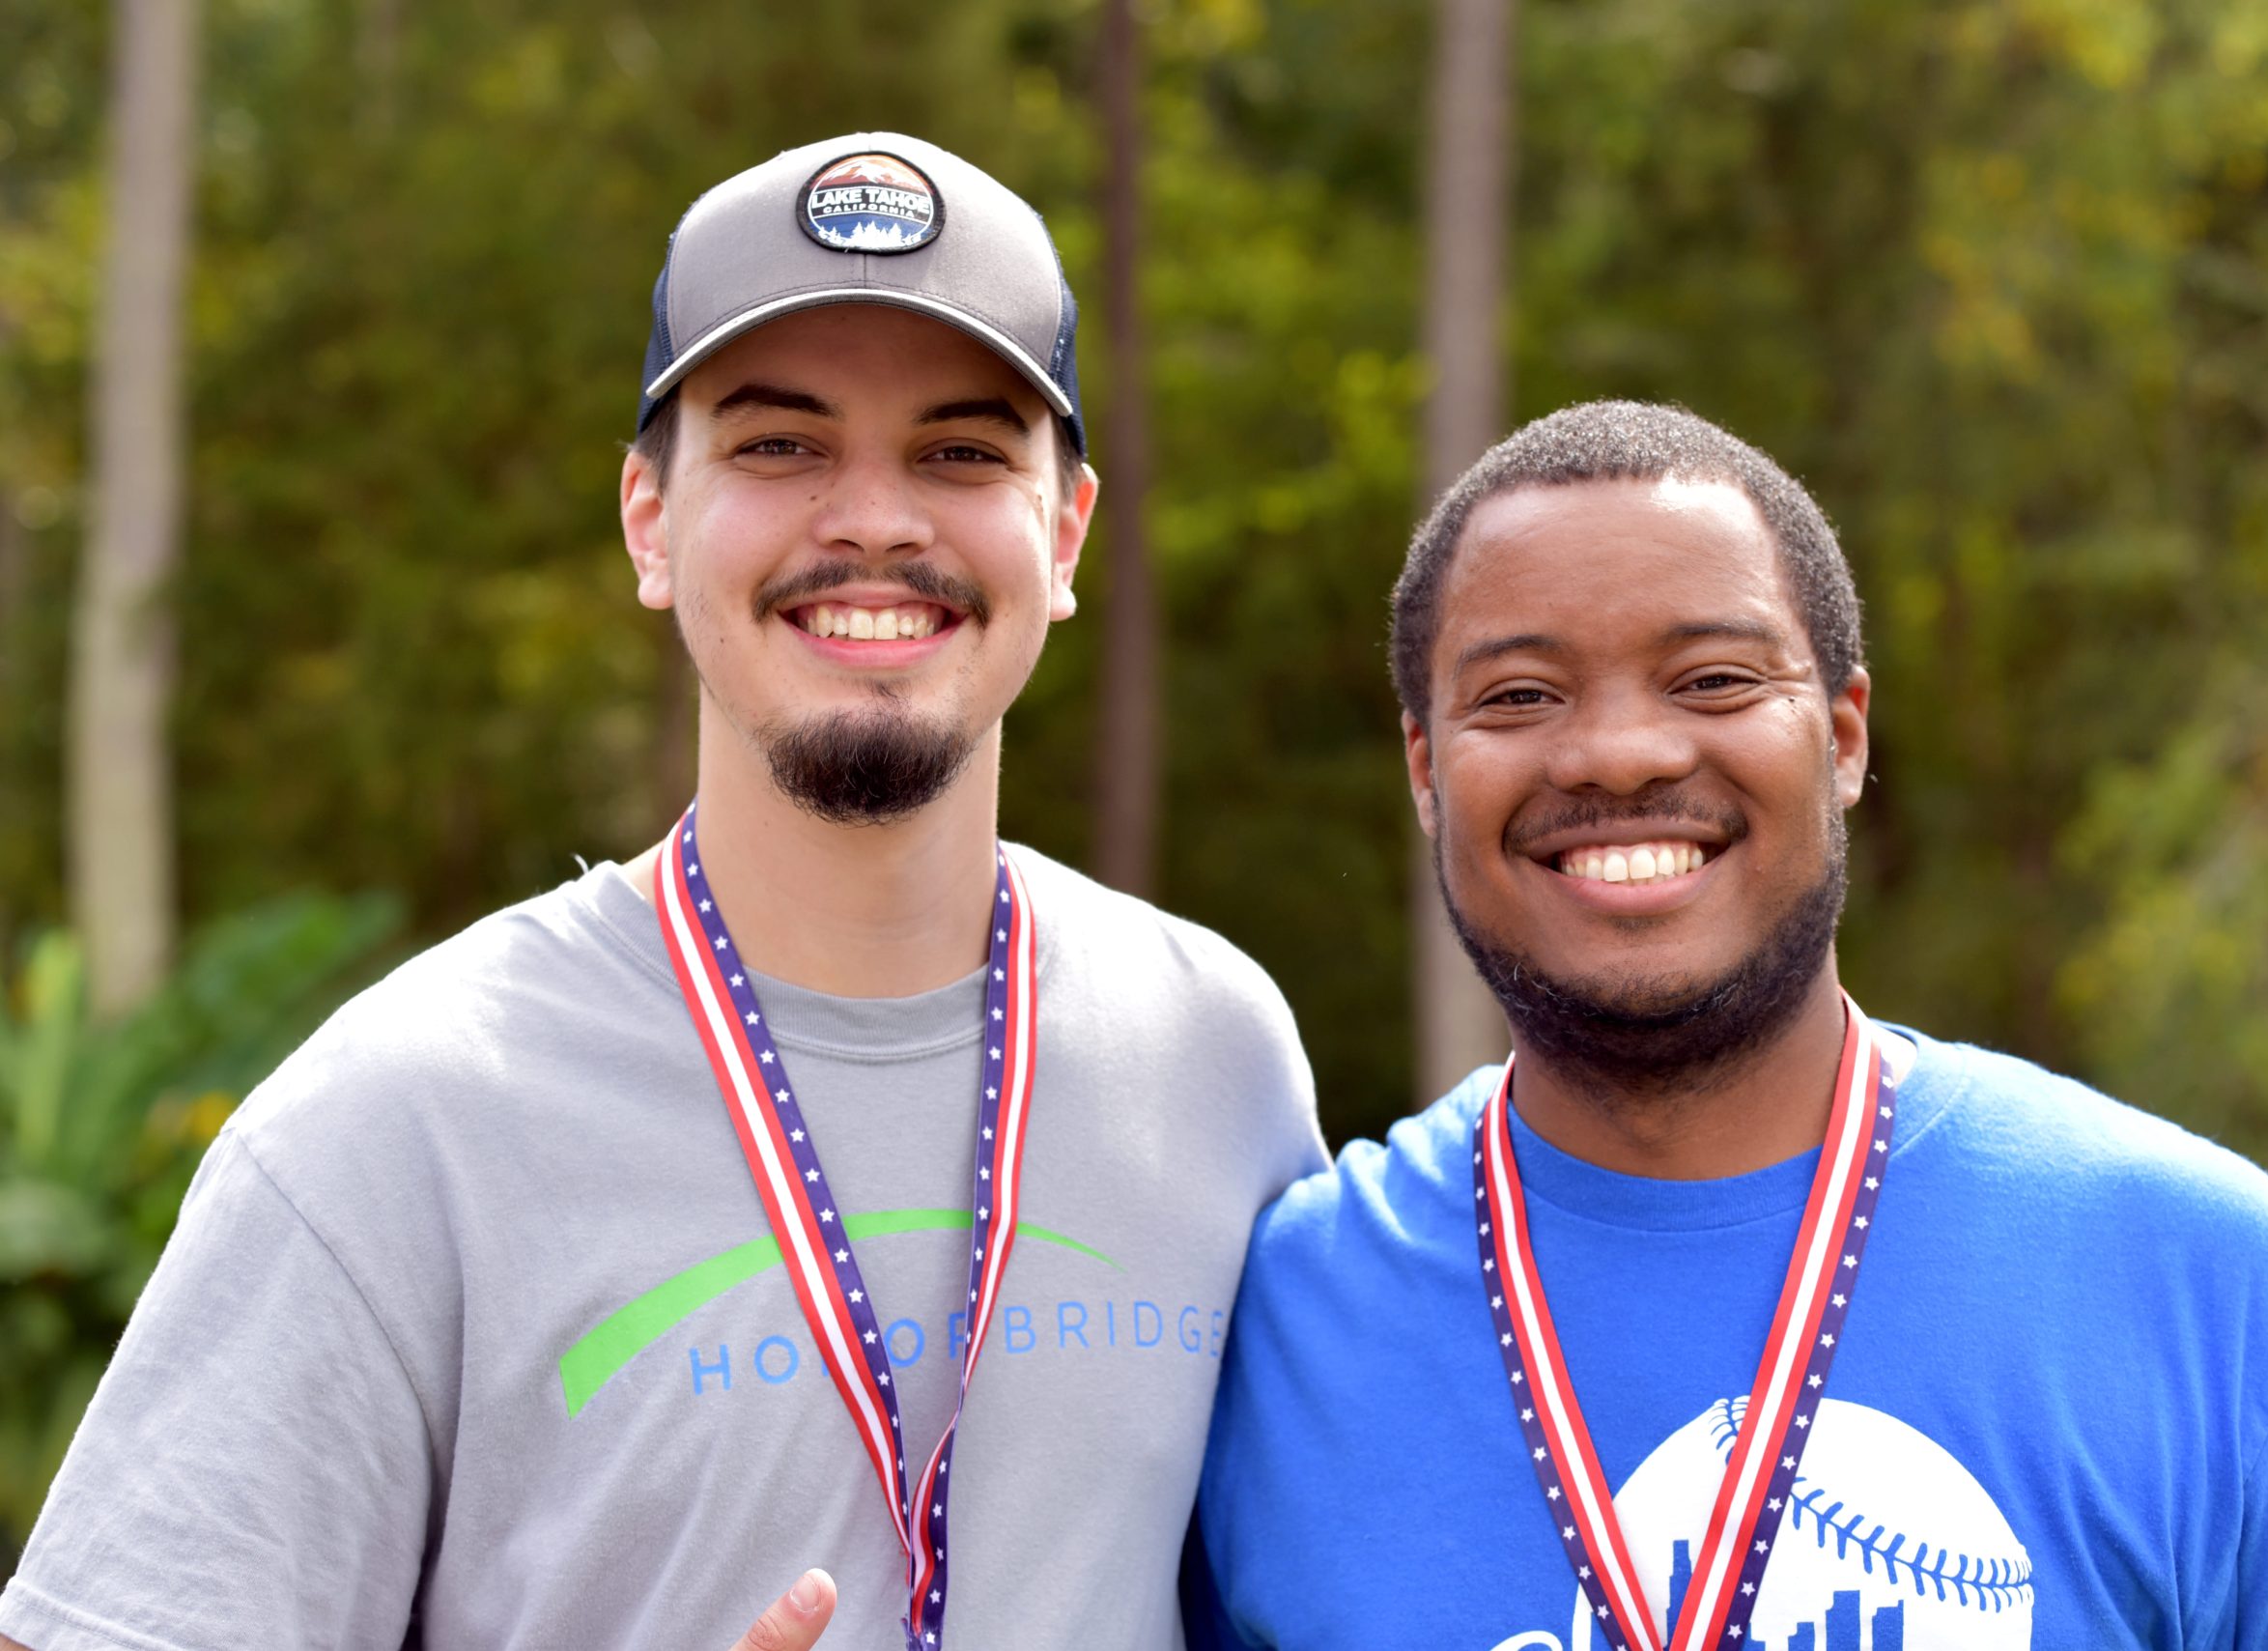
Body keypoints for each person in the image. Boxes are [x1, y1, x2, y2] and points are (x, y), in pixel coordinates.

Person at [0, 132, 1323, 1651]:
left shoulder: (1216, 1054)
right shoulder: (400, 1121)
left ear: (1066, 530)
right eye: (779, 446)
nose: (877, 519)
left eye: (961, 450)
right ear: (649, 517)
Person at [1191, 400, 2268, 1650]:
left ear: (1845, 736)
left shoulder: (2210, 1282)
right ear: (1425, 768)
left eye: (1712, 678)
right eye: (1522, 697)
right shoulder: (1286, 1323)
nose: (1622, 753)